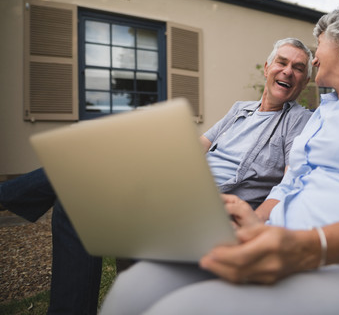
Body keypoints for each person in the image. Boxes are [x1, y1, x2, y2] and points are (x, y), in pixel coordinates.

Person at [100, 3, 339, 315]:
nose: (312, 54)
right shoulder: (324, 114)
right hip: (285, 249)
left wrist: (309, 248)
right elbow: (289, 185)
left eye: (316, 44)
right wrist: (255, 224)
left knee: (183, 310)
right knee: (138, 285)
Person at [0, 37, 313, 315]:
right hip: (178, 187)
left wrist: (255, 220)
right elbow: (195, 148)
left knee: (87, 171)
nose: (288, 71)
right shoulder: (239, 110)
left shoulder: (298, 122)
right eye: (282, 63)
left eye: (299, 68)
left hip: (208, 209)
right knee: (76, 194)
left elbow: (287, 183)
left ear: (304, 83)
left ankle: (7, 195)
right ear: (267, 68)